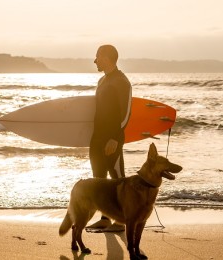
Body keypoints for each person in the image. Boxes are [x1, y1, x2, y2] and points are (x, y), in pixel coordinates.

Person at [87, 45, 132, 232]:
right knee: (99, 180)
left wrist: (114, 138)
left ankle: (122, 220)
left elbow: (126, 113)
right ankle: (105, 218)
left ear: (106, 57)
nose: (95, 60)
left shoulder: (122, 82)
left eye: (97, 56)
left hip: (112, 139)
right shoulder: (102, 81)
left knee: (118, 179)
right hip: (97, 138)